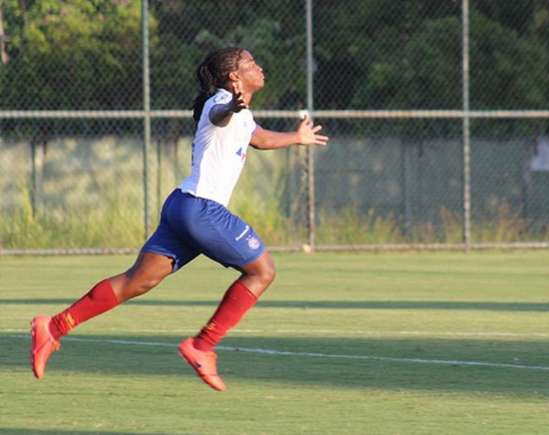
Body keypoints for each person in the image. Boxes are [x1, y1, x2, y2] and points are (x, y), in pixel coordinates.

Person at [29, 47, 329, 391]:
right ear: (234, 77)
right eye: (249, 63)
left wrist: (297, 137)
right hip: (202, 209)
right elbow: (219, 114)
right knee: (263, 271)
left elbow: (259, 138)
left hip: (182, 207)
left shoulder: (243, 115)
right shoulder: (220, 102)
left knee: (135, 282)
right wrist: (232, 105)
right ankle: (203, 346)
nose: (258, 66)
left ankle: (52, 327)